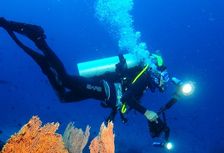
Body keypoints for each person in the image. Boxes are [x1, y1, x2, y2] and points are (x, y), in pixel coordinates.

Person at [0, 17, 171, 134]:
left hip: (101, 92)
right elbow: (126, 97)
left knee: (64, 97)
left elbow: (123, 99)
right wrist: (146, 112)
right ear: (158, 72)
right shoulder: (145, 75)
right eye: (165, 78)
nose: (163, 84)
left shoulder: (143, 82)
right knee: (65, 79)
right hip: (103, 88)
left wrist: (113, 115)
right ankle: (39, 39)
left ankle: (45, 63)